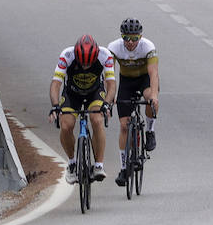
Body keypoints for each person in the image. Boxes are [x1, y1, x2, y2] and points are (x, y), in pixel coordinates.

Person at [49, 34, 117, 184]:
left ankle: (98, 165)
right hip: (72, 94)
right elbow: (56, 84)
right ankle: (72, 163)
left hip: (94, 93)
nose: (85, 67)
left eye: (89, 64)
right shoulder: (66, 55)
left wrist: (107, 103)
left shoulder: (105, 55)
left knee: (97, 119)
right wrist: (55, 105)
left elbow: (111, 85)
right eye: (82, 63)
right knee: (66, 125)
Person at [106, 17, 160, 186]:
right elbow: (109, 75)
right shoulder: (113, 48)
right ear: (121, 37)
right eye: (126, 38)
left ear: (140, 37)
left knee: (151, 99)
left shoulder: (148, 47)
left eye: (134, 38)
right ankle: (124, 168)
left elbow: (153, 74)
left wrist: (154, 97)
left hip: (144, 80)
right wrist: (110, 94)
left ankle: (150, 131)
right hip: (126, 82)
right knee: (124, 126)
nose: (130, 42)